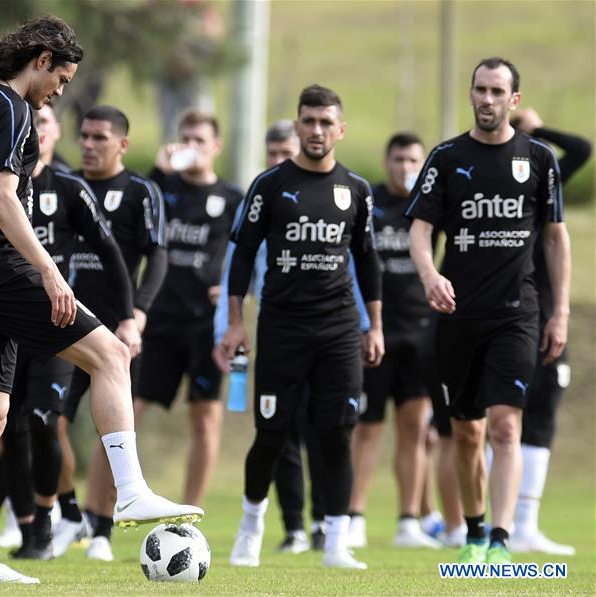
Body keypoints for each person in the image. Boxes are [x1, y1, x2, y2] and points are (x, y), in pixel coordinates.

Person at [0, 17, 201, 584]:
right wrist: (49, 273)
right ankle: (129, 494)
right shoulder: (11, 109)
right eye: (64, 78)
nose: (61, 92)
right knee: (112, 357)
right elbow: (2, 197)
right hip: (6, 272)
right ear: (42, 58)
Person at [406, 57, 570, 565]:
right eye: (480, 89)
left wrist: (559, 311)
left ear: (514, 100)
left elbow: (555, 238)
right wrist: (431, 275)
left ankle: (500, 539)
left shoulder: (538, 160)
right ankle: (474, 530)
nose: (487, 99)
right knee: (466, 431)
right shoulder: (446, 157)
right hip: (458, 316)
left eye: (498, 91)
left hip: (517, 314)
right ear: (471, 93)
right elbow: (419, 230)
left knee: (505, 426)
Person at [222, 85, 383, 570]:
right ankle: (251, 525)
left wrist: (373, 326)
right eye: (308, 121)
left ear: (340, 129)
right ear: (297, 126)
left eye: (325, 122)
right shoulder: (269, 186)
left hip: (337, 329)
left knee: (337, 433)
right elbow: (242, 256)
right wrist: (234, 323)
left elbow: (369, 261)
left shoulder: (356, 190)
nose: (316, 131)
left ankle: (336, 540)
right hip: (281, 328)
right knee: (271, 433)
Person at [0, 103, 135, 560]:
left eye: (45, 123)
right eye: (31, 124)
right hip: (8, 321)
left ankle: (50, 520)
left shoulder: (69, 188)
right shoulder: (0, 184)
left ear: (55, 132)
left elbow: (110, 252)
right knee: (9, 427)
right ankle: (30, 532)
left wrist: (127, 316)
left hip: (58, 323)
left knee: (43, 420)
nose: (38, 131)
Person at [54, 104, 168, 562]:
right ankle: (67, 511)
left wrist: (136, 314)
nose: (88, 144)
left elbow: (157, 256)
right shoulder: (64, 187)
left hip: (117, 333)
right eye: (83, 136)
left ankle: (101, 527)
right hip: (63, 326)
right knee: (49, 423)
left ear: (121, 144)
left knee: (111, 430)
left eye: (99, 137)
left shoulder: (141, 192)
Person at [133, 110, 241, 509]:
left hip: (204, 326)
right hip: (158, 320)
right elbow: (134, 216)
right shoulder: (162, 189)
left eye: (200, 140)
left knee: (205, 418)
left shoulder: (232, 199)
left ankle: (190, 512)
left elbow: (248, 253)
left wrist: (232, 290)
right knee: (126, 414)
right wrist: (158, 173)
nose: (192, 148)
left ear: (216, 146)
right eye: (186, 139)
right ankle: (103, 517)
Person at [346, 133, 442, 550]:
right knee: (367, 428)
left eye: (414, 159)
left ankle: (408, 522)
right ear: (386, 161)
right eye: (399, 158)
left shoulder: (431, 206)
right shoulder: (370, 203)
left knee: (414, 430)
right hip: (375, 333)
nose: (406, 166)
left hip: (420, 334)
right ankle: (354, 517)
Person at [507, 107, 590, 555]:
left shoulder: (546, 179)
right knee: (497, 417)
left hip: (543, 312)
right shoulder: (488, 175)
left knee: (540, 410)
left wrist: (537, 130)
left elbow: (581, 149)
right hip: (506, 311)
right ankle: (484, 524)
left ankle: (524, 526)